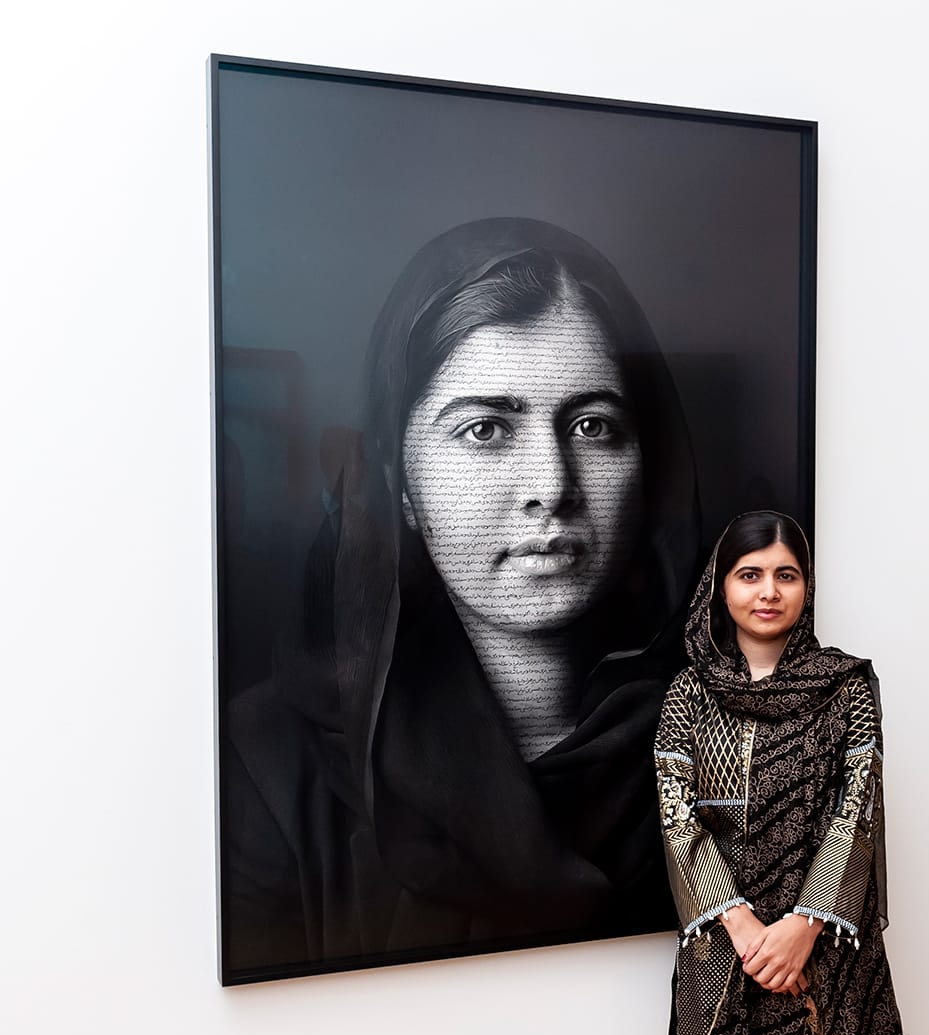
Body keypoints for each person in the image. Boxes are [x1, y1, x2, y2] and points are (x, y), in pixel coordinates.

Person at [222, 217, 699, 980]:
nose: (551, 486)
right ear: (401, 482)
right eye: (484, 430)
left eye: (592, 424)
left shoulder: (731, 739)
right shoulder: (269, 769)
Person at [655, 511, 910, 1035]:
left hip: (825, 941)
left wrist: (804, 924)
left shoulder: (845, 685)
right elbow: (677, 813)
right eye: (750, 574)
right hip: (729, 947)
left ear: (807, 587)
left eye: (786, 575)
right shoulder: (689, 693)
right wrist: (743, 927)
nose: (768, 592)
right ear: (722, 586)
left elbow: (858, 807)